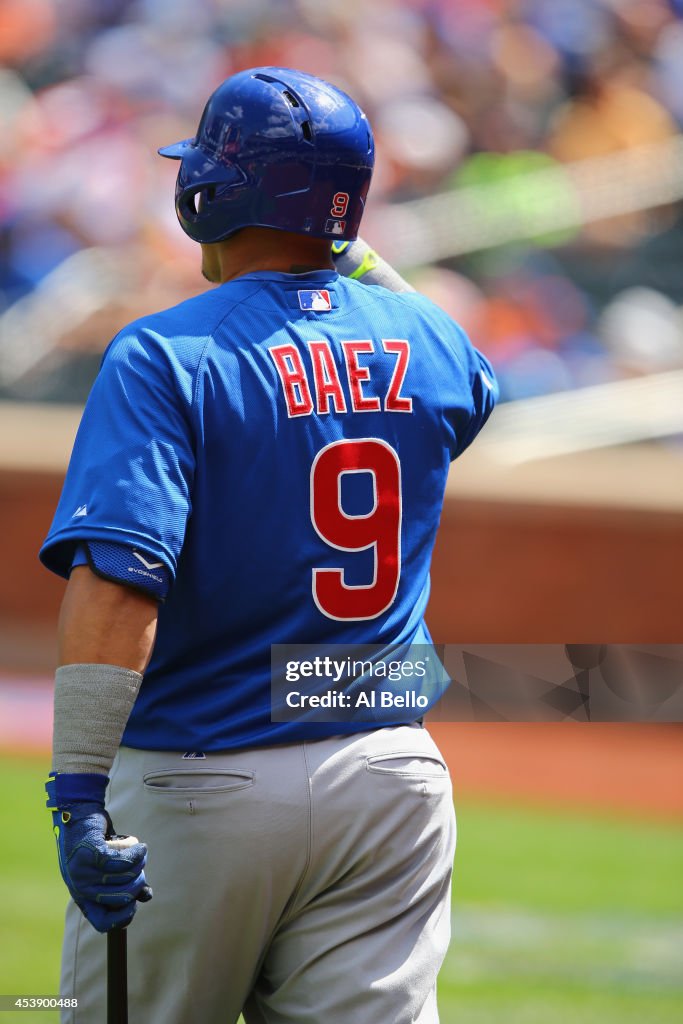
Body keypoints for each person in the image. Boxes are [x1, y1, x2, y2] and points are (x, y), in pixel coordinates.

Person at [41, 67, 497, 1024]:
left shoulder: (165, 351)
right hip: (389, 771)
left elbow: (120, 579)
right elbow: (468, 372)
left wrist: (80, 794)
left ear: (214, 190)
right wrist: (347, 246)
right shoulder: (426, 339)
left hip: (205, 772)